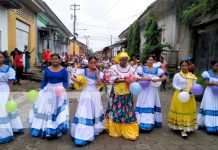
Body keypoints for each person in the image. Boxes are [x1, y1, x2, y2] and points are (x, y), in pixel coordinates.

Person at [27, 54, 69, 138]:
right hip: (48, 91)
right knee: (48, 109)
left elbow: (65, 81)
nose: (54, 60)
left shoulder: (64, 70)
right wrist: (41, 88)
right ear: (50, 60)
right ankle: (48, 128)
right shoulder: (47, 69)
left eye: (56, 58)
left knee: (57, 110)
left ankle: (56, 127)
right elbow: (44, 81)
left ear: (59, 60)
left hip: (59, 92)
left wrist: (63, 88)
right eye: (52, 59)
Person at [70, 56, 105, 146]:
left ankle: (94, 128)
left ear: (97, 63)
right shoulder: (83, 71)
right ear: (88, 63)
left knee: (94, 111)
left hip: (95, 93)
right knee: (84, 111)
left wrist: (97, 72)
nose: (93, 64)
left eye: (94, 63)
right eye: (91, 62)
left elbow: (100, 84)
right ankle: (82, 131)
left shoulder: (100, 72)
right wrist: (77, 82)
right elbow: (72, 77)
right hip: (85, 93)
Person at [105, 52, 139, 141]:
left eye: (126, 60)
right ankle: (116, 130)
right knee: (116, 110)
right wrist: (126, 80)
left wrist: (133, 79)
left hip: (127, 93)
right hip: (116, 93)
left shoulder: (130, 68)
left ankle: (127, 130)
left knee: (127, 110)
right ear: (119, 60)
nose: (124, 61)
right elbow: (113, 80)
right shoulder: (113, 68)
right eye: (122, 60)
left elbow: (135, 77)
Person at [168, 60, 197, 138]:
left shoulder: (192, 76)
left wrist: (192, 91)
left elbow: (195, 86)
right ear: (180, 66)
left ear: (188, 66)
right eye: (183, 65)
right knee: (180, 110)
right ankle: (182, 129)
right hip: (180, 95)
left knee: (187, 111)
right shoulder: (178, 75)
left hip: (190, 96)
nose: (184, 67)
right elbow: (174, 84)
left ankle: (187, 126)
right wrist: (181, 89)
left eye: (186, 65)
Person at [136, 56, 166, 132]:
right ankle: (140, 122)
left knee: (150, 103)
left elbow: (164, 77)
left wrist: (157, 79)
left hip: (152, 90)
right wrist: (146, 79)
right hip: (143, 89)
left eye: (152, 60)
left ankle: (149, 123)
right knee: (142, 103)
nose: (150, 61)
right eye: (149, 59)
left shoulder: (158, 70)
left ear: (154, 61)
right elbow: (137, 78)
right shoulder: (141, 69)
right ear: (146, 60)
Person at [0, 51, 23, 144]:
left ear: (3, 58)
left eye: (1, 57)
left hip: (4, 91)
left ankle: (5, 133)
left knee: (3, 111)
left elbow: (10, 83)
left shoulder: (8, 69)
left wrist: (10, 94)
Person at [198, 60, 218, 133]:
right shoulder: (207, 73)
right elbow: (206, 82)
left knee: (216, 107)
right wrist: (214, 83)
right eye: (216, 65)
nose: (217, 67)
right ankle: (208, 125)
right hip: (209, 93)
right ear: (212, 65)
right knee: (209, 107)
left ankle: (216, 126)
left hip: (217, 94)